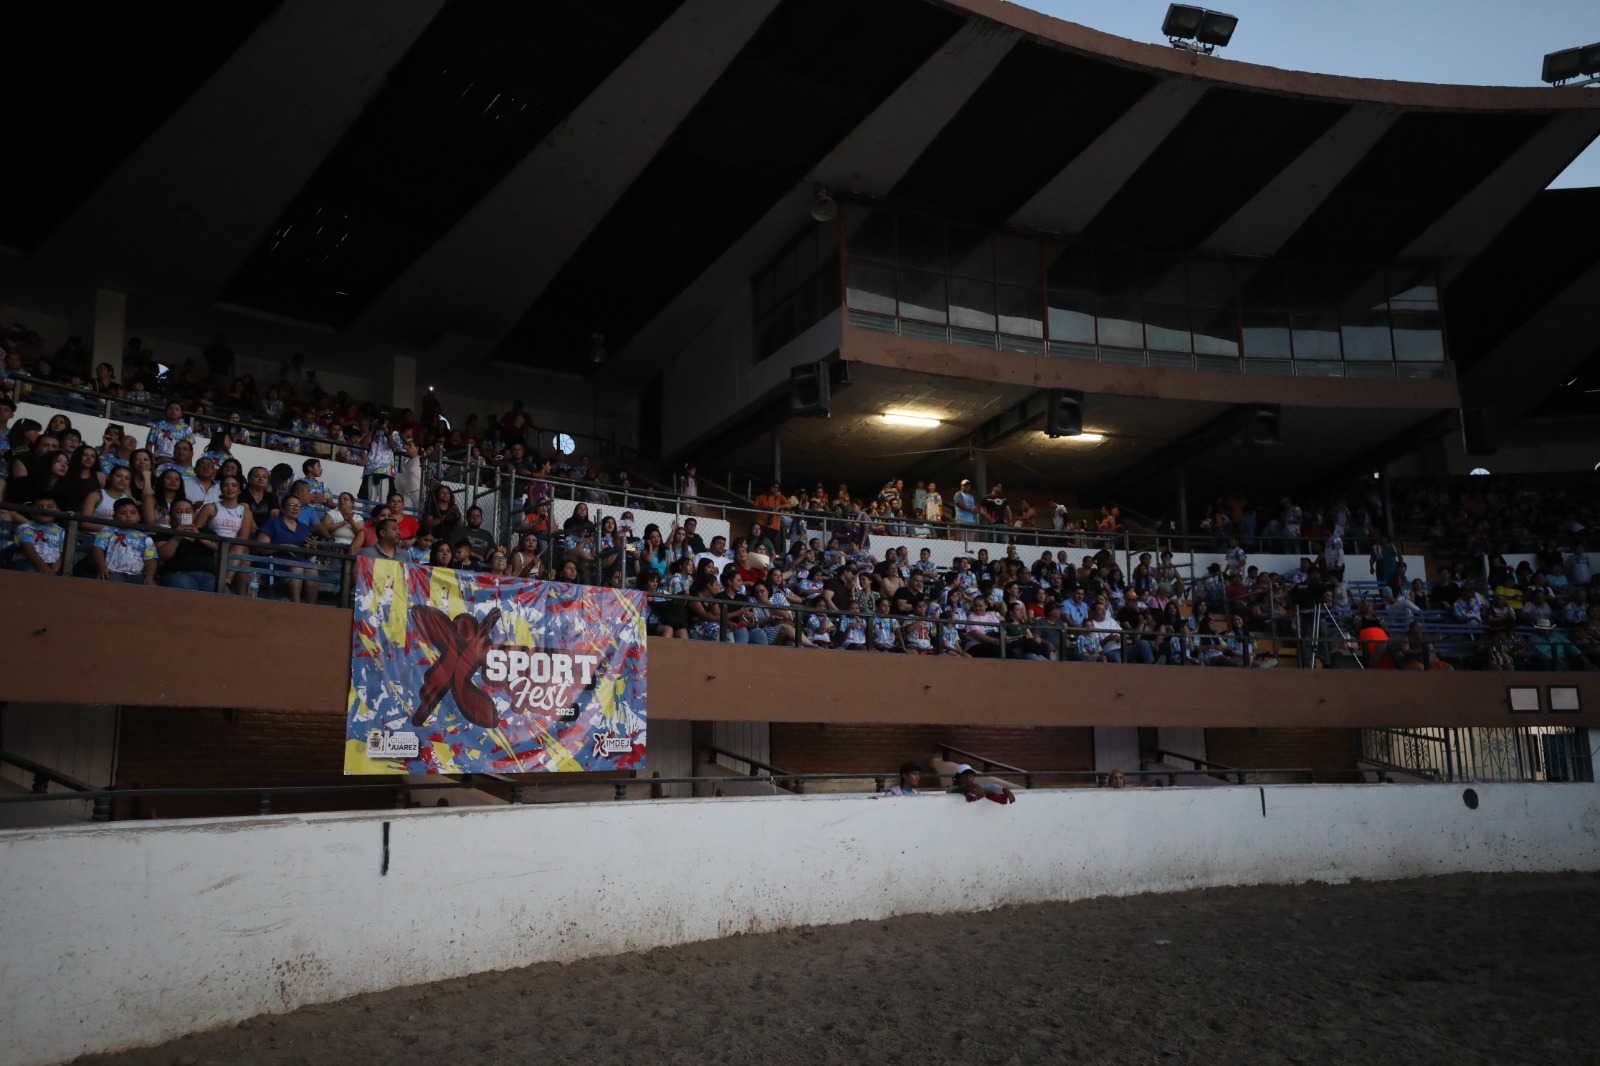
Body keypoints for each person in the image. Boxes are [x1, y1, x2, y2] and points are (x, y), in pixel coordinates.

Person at [256, 495, 319, 604]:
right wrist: (282, 548)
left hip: (301, 563)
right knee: (297, 568)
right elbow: (260, 547)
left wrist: (312, 548)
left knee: (312, 570)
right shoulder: (273, 523)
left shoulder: (304, 527)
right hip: (277, 563)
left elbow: (308, 553)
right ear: (282, 508)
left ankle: (312, 607)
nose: (295, 508)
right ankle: (296, 604)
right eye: (291, 505)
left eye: (298, 506)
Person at [90, 498, 157, 585]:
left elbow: (151, 558)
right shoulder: (107, 531)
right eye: (122, 513)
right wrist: (102, 568)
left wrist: (149, 576)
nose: (128, 516)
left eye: (133, 513)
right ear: (114, 517)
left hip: (137, 574)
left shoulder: (145, 538)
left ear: (139, 517)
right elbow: (97, 550)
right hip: (113, 572)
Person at [948, 764, 1015, 805]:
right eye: (964, 776)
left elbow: (989, 787)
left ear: (973, 778)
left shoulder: (975, 786)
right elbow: (952, 790)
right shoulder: (952, 788)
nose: (968, 778)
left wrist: (1004, 789)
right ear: (958, 778)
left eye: (970, 776)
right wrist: (966, 787)